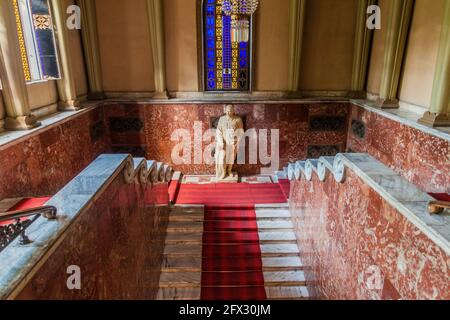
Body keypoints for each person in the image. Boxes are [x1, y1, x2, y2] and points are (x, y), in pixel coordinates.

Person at [215, 105, 244, 180]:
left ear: (234, 111)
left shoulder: (238, 119)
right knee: (222, 158)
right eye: (227, 111)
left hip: (233, 143)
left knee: (231, 158)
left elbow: (241, 132)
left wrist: (237, 141)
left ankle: (229, 171)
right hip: (223, 142)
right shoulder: (222, 119)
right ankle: (223, 172)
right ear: (225, 111)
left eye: (230, 111)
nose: (228, 113)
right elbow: (218, 131)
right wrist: (221, 142)